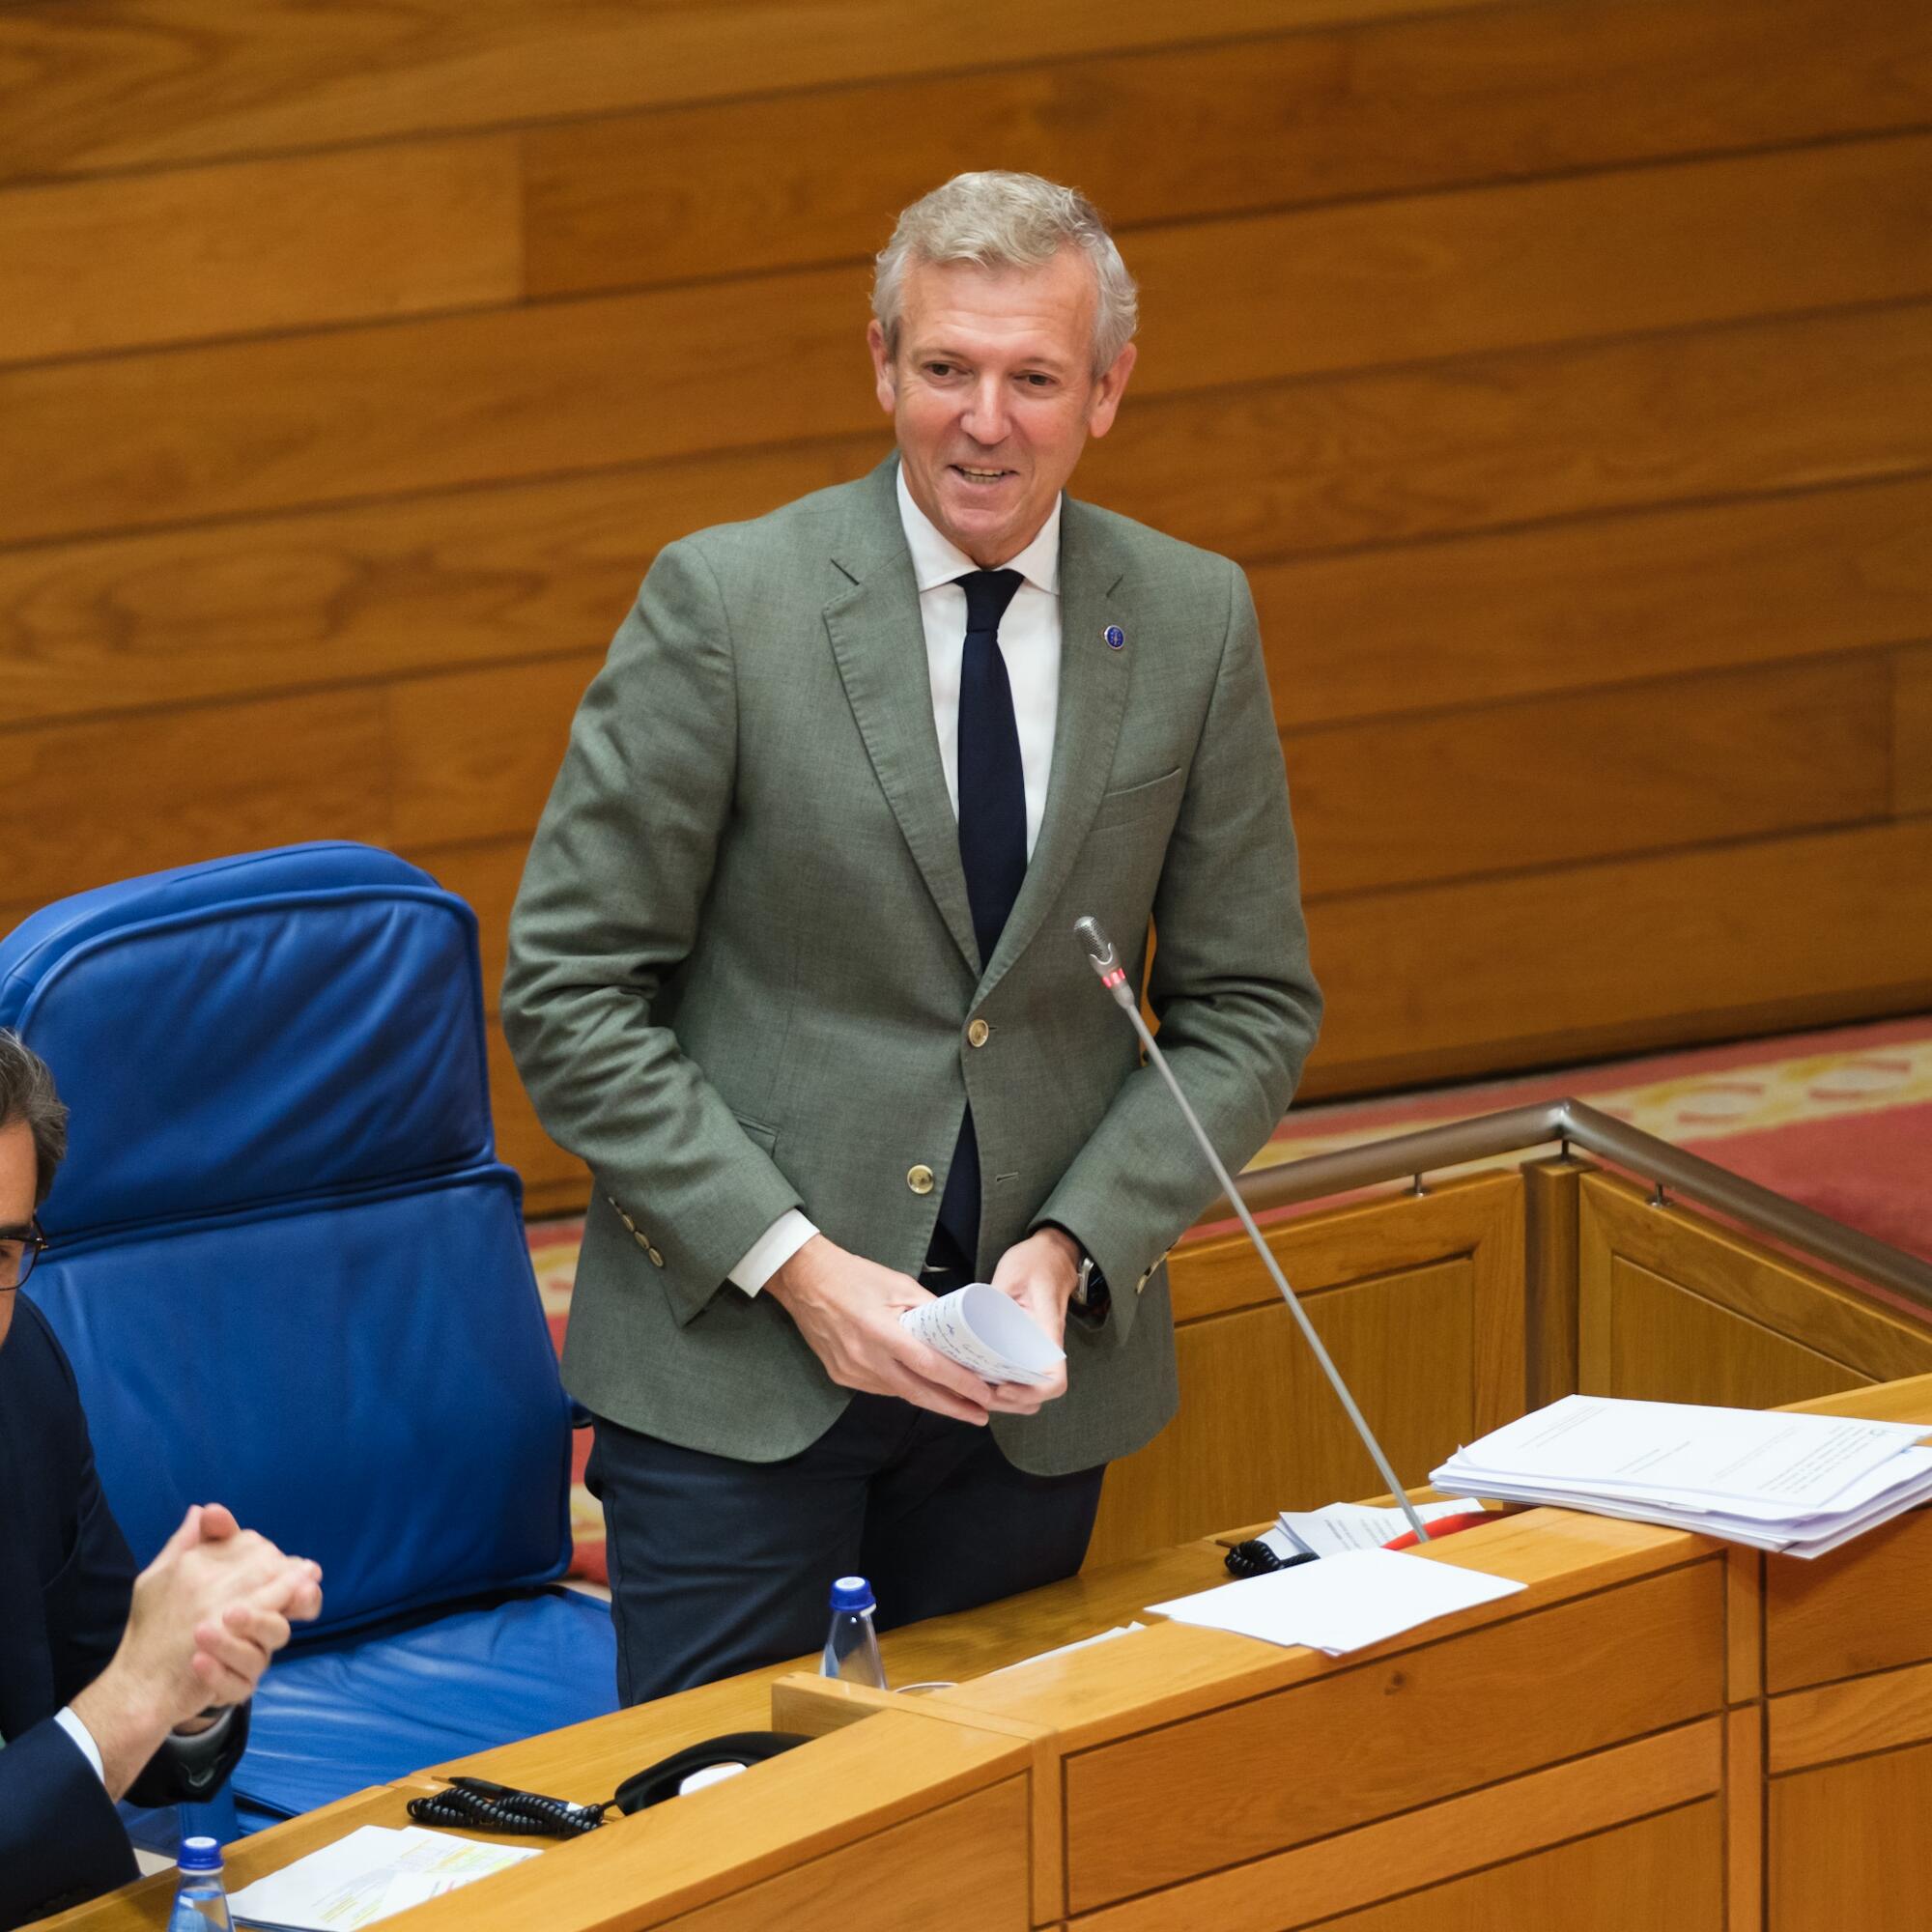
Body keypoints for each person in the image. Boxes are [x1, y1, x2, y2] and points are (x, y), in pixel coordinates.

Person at [505, 170, 1321, 1702]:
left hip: (1021, 1404)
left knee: (974, 1837)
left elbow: (1249, 1008)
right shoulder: (727, 605)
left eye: (1034, 377)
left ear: (1108, 392)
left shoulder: (1197, 619)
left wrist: (1077, 1245)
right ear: (882, 365)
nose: (986, 420)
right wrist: (800, 1265)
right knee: (724, 1834)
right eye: (947, 368)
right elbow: (569, 991)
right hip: (739, 1375)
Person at [0, 1032, 323, 1928]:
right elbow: (106, 1712)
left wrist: (189, 1685)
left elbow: (107, 1682)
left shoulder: (21, 1366)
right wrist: (124, 1706)